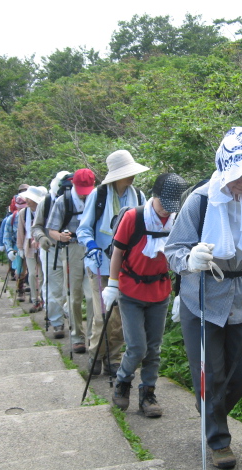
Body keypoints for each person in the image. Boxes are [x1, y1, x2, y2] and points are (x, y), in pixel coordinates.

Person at [165, 127, 242, 469]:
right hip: (203, 296)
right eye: (237, 176)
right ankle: (219, 440)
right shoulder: (201, 200)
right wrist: (189, 260)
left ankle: (209, 408)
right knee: (210, 373)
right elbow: (173, 249)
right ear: (224, 167)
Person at [105, 172, 188, 417]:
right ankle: (123, 382)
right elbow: (118, 252)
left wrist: (180, 292)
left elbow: (181, 255)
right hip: (130, 291)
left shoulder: (177, 219)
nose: (166, 211)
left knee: (154, 348)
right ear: (154, 196)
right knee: (137, 347)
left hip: (160, 292)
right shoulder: (134, 217)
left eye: (172, 207)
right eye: (164, 204)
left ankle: (148, 394)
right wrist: (112, 285)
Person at [77, 150, 149, 377]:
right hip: (100, 264)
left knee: (118, 318)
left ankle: (112, 358)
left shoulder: (138, 196)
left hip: (128, 268)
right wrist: (91, 245)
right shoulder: (97, 197)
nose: (132, 177)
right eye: (127, 173)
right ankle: (95, 354)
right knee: (102, 315)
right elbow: (83, 229)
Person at [47, 168, 96, 354]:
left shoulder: (97, 198)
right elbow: (51, 229)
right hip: (72, 249)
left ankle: (93, 335)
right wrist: (60, 236)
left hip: (92, 248)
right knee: (74, 296)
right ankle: (77, 336)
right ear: (73, 184)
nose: (84, 195)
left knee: (92, 296)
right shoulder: (63, 201)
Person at [32, 171, 71, 339]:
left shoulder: (76, 200)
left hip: (73, 249)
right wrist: (41, 237)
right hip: (51, 249)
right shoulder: (46, 202)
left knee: (71, 288)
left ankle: (72, 319)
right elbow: (37, 226)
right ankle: (57, 322)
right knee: (54, 287)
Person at [17, 186, 47, 313]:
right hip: (29, 245)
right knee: (32, 274)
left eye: (29, 199)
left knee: (42, 274)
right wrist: (20, 248)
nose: (27, 201)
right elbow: (20, 231)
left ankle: (43, 298)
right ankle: (35, 299)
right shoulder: (23, 213)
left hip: (43, 245)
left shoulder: (44, 210)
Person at [4, 195, 28, 300]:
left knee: (33, 271)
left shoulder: (32, 216)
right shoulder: (11, 219)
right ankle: (20, 290)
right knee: (19, 270)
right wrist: (9, 249)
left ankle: (35, 294)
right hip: (17, 247)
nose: (21, 209)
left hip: (30, 245)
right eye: (19, 207)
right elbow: (7, 236)